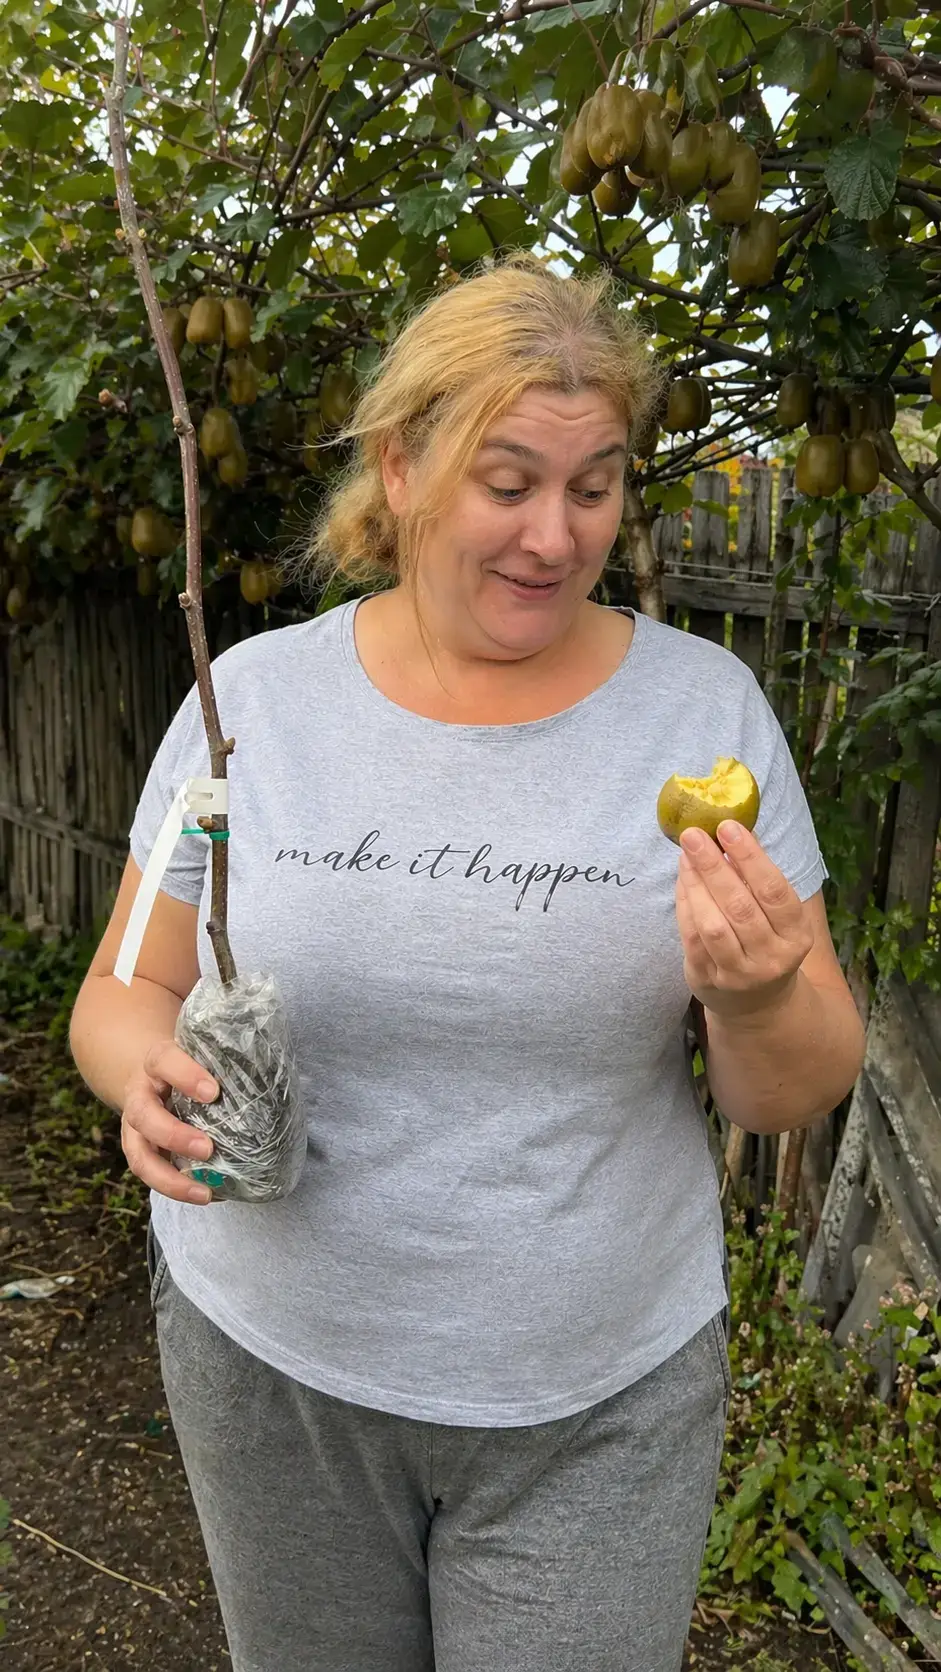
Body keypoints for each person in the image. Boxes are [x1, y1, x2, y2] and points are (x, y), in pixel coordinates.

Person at [69, 251, 866, 1672]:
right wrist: (144, 1075)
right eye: (510, 484)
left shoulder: (704, 716)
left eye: (595, 487)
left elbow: (792, 1086)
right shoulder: (250, 705)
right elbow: (128, 985)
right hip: (274, 1370)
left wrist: (752, 995)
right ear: (402, 466)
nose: (556, 536)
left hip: (597, 1398)